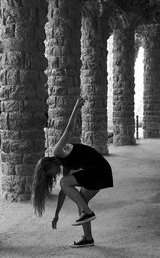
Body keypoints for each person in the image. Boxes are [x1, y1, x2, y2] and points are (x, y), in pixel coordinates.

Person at [32, 97, 113, 248]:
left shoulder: (58, 151)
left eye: (50, 173)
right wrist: (56, 215)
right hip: (97, 171)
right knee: (80, 201)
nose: (53, 175)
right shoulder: (64, 166)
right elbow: (65, 192)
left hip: (99, 170)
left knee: (71, 190)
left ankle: (88, 212)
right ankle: (88, 238)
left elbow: (68, 130)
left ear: (49, 164)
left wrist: (76, 107)